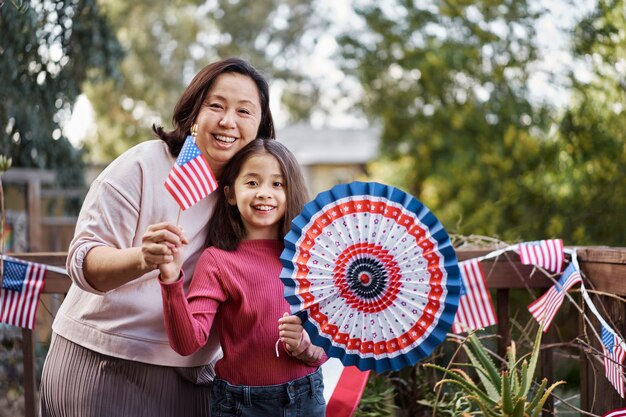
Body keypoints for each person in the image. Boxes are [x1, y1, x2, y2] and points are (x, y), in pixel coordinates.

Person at [39, 57, 275, 417]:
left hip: (197, 375)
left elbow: (271, 280)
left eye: (244, 111)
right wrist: (142, 258)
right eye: (216, 105)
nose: (228, 121)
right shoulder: (143, 165)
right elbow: (82, 261)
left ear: (260, 126)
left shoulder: (258, 195)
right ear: (193, 113)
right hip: (105, 364)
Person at [158, 138, 327, 417]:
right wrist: (171, 278)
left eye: (277, 183)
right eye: (252, 182)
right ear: (230, 194)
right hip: (241, 404)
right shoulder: (217, 261)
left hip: (306, 396)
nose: (264, 193)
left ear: (291, 190)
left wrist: (309, 349)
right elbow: (188, 343)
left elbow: (333, 339)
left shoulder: (309, 257)